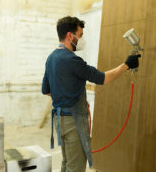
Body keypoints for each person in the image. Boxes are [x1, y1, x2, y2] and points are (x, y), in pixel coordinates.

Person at [42, 16, 141, 172]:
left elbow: (46, 90)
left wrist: (64, 99)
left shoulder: (51, 58)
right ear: (70, 36)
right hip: (74, 121)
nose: (82, 40)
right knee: (75, 167)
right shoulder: (73, 61)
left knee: (67, 163)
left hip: (59, 120)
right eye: (80, 35)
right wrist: (127, 65)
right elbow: (103, 78)